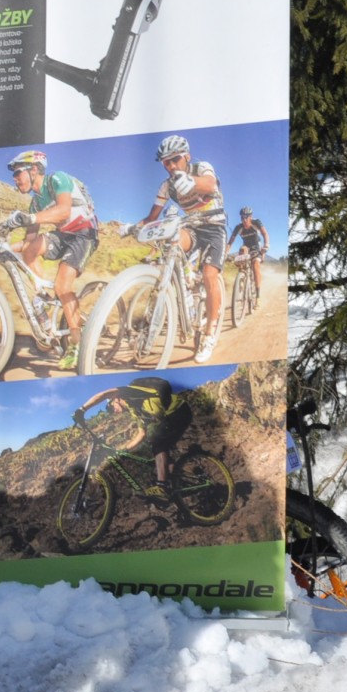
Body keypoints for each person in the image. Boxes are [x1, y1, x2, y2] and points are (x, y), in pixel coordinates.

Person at [129, 133, 227, 363]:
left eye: (175, 159)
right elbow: (152, 216)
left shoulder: (201, 167)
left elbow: (210, 184)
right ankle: (184, 284)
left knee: (209, 275)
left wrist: (192, 181)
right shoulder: (166, 186)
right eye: (167, 162)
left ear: (187, 157)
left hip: (214, 228)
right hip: (192, 228)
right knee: (171, 243)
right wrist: (132, 227)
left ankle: (209, 334)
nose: (172, 166)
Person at [5, 148, 100, 368]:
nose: (15, 178)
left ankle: (77, 344)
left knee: (62, 285)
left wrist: (31, 218)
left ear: (33, 170)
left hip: (84, 233)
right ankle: (44, 298)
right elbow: (29, 242)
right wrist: (5, 248)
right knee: (30, 251)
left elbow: (64, 210)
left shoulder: (57, 179)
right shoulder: (35, 203)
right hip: (64, 235)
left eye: (18, 172)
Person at [70, 375, 191, 486]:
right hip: (170, 418)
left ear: (115, 399)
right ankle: (174, 481)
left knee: (158, 442)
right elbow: (141, 434)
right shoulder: (135, 411)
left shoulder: (129, 393)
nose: (114, 412)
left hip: (179, 411)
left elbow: (104, 394)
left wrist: (82, 409)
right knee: (156, 444)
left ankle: (162, 486)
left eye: (111, 408)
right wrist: (123, 450)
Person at [231, 206, 269, 299]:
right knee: (242, 250)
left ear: (251, 217)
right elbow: (230, 242)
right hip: (246, 247)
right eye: (242, 217)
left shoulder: (256, 222)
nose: (244, 220)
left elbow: (265, 234)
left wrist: (266, 245)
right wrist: (224, 254)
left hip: (257, 246)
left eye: (246, 217)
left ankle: (258, 294)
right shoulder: (238, 227)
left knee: (256, 265)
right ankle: (241, 277)